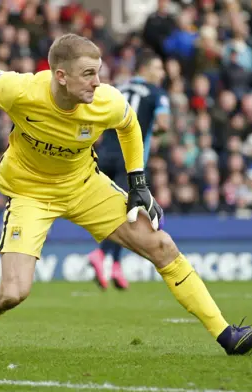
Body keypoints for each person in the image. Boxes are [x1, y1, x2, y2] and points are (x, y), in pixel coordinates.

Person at [0, 34, 252, 359]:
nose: (97, 83)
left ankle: (227, 335)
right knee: (13, 292)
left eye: (98, 73)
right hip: (29, 193)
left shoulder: (106, 101)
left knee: (161, 245)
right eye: (88, 75)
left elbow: (129, 126)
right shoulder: (19, 90)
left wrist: (138, 182)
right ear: (59, 76)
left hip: (83, 186)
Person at [88, 50, 170, 290]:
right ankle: (101, 255)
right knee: (127, 213)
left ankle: (114, 264)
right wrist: (155, 131)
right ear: (144, 69)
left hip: (105, 156)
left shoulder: (116, 88)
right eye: (158, 68)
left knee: (117, 211)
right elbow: (163, 123)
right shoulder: (157, 93)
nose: (161, 74)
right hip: (131, 162)